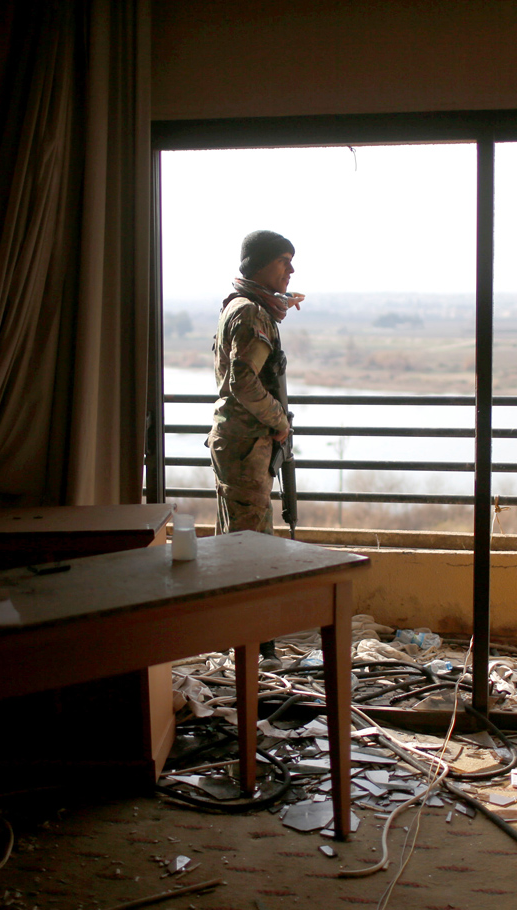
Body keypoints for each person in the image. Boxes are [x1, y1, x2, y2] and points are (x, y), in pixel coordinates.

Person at [207, 229, 303, 666]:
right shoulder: (252, 315)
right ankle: (249, 645)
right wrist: (279, 421)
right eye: (284, 260)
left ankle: (247, 641)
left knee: (242, 542)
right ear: (262, 265)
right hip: (247, 446)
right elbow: (243, 383)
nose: (291, 270)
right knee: (248, 546)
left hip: (244, 445)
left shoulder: (248, 307)